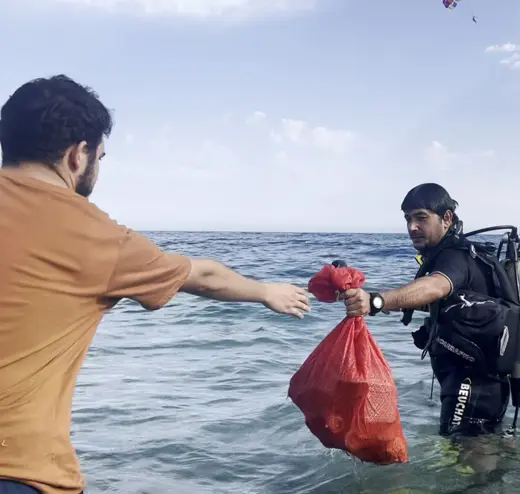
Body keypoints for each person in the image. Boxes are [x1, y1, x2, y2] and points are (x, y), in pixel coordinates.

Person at [0, 75, 311, 494]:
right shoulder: (91, 236)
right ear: (78, 155)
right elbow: (200, 275)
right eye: (101, 157)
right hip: (18, 470)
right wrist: (266, 291)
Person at [342, 183, 520, 438]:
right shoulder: (457, 254)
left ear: (446, 218)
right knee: (475, 451)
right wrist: (385, 302)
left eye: (421, 218)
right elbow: (447, 303)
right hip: (476, 383)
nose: (412, 227)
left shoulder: (456, 257)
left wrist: (376, 302)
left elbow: (435, 286)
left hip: (473, 386)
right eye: (408, 219)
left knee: (467, 460)